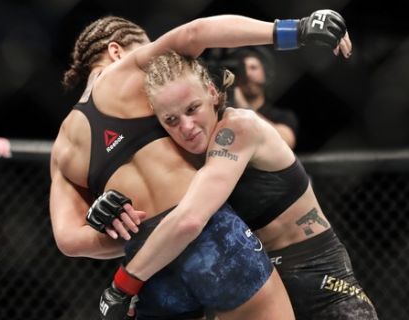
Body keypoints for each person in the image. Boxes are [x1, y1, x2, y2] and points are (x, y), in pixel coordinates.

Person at [50, 10, 350, 320]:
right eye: (147, 45)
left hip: (150, 263)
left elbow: (69, 241)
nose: (162, 70)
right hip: (210, 238)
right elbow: (196, 33)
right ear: (116, 51)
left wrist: (125, 229)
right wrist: (293, 30)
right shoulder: (131, 71)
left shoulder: (62, 147)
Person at [106, 48, 379, 320]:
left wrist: (126, 282)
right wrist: (109, 213)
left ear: (212, 93)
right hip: (254, 286)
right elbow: (156, 226)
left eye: (192, 109)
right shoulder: (179, 157)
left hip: (319, 278)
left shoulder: (239, 128)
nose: (186, 127)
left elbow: (189, 219)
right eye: (172, 120)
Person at [231, 47, 299, 148]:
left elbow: (286, 141)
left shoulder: (281, 116)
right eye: (243, 69)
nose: (248, 74)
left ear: (265, 73)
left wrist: (244, 106)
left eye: (253, 68)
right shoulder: (229, 115)